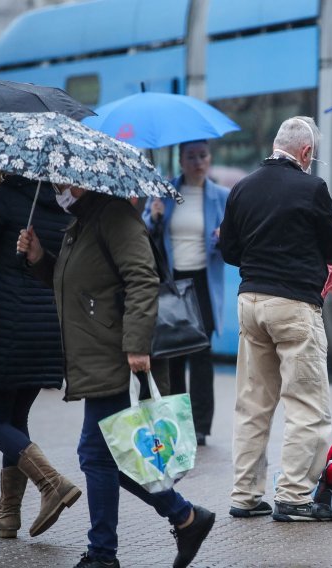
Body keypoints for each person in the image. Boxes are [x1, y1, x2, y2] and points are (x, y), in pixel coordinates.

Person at [18, 185, 215, 568]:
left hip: (117, 355)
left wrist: (137, 344)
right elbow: (76, 285)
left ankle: (106, 552)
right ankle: (184, 518)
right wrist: (41, 259)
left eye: (63, 183)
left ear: (83, 180)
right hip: (100, 352)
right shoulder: (83, 222)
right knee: (109, 456)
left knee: (96, 454)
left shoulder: (114, 216)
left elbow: (143, 280)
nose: (59, 190)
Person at [219, 116, 332, 521]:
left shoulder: (242, 187)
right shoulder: (312, 189)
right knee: (307, 405)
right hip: (294, 307)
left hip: (250, 303)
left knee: (253, 405)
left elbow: (228, 250)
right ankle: (292, 496)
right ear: (306, 152)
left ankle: (245, 495)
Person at [0, 176, 78, 540]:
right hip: (47, 329)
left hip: (7, 325)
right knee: (14, 420)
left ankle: (52, 483)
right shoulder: (62, 207)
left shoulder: (4, 199)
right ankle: (8, 514)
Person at [143, 140, 229, 447]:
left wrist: (224, 237)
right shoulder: (163, 194)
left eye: (203, 156)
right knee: (174, 354)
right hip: (173, 284)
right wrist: (153, 218)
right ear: (180, 160)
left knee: (202, 355)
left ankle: (202, 426)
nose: (197, 162)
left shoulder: (221, 196)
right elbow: (145, 235)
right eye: (191, 157)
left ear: (210, 158)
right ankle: (178, 421)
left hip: (203, 283)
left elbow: (235, 242)